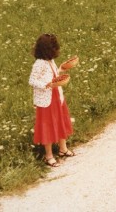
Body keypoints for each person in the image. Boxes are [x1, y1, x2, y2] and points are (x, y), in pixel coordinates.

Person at [29, 33, 75, 167]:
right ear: (48, 49)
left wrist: (61, 69)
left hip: (57, 96)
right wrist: (46, 85)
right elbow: (32, 80)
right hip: (46, 99)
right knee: (48, 124)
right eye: (54, 47)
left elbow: (54, 75)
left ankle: (63, 149)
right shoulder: (39, 63)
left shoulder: (51, 61)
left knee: (60, 120)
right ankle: (48, 155)